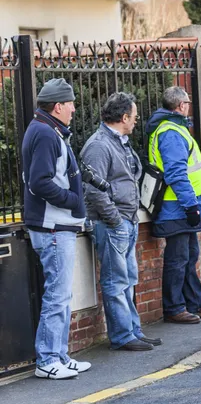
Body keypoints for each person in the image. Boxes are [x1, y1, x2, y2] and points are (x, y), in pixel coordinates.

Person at [81, 92, 162, 351]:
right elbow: (93, 189)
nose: (136, 121)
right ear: (124, 117)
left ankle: (133, 331)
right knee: (116, 281)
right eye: (134, 117)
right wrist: (115, 220)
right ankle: (123, 336)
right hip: (113, 223)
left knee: (128, 279)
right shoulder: (98, 145)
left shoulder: (120, 141)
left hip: (127, 220)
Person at [22, 78, 91, 379]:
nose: (75, 109)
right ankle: (48, 360)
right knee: (57, 295)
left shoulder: (46, 130)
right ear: (58, 105)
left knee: (61, 294)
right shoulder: (46, 134)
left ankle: (60, 355)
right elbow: (40, 181)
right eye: (71, 103)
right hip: (52, 226)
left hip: (56, 225)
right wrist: (73, 200)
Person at [145, 86, 201, 323]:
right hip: (175, 207)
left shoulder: (175, 129)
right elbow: (177, 173)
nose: (189, 106)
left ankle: (195, 302)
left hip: (182, 205)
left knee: (189, 255)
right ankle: (174, 308)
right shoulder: (171, 132)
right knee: (178, 259)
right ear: (181, 106)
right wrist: (190, 206)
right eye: (187, 102)